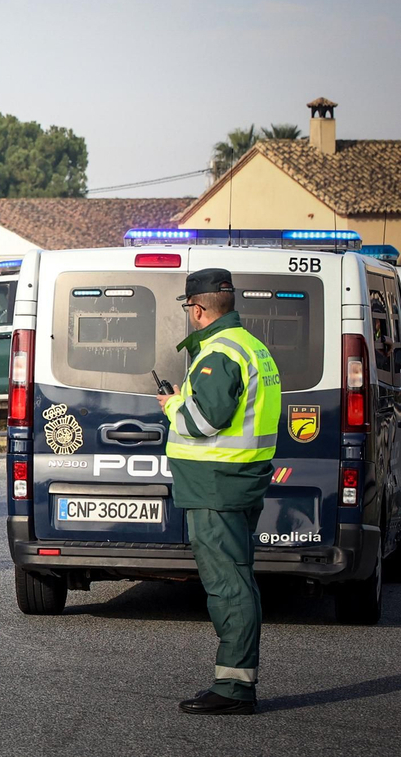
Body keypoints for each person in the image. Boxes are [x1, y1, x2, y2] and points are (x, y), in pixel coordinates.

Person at [158, 268, 280, 716]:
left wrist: (173, 404)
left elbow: (202, 421)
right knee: (238, 579)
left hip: (216, 485)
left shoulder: (219, 352)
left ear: (197, 309)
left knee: (228, 586)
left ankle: (233, 689)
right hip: (237, 481)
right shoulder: (251, 346)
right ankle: (236, 681)